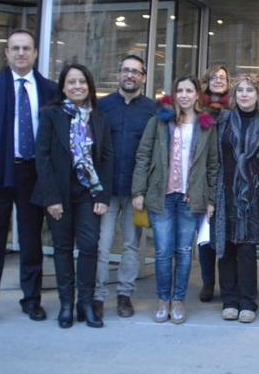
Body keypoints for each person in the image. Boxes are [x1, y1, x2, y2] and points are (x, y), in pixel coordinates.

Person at [0, 29, 58, 330]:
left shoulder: (49, 90)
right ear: (6, 53)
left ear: (34, 53)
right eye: (15, 48)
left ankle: (32, 300)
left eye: (26, 48)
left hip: (33, 175)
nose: (21, 53)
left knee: (32, 243)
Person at [31, 64, 113, 328]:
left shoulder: (98, 117)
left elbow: (107, 158)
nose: (77, 86)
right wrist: (51, 198)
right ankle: (66, 304)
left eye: (82, 81)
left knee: (89, 247)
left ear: (89, 85)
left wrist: (102, 195)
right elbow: (42, 157)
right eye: (71, 82)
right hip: (59, 194)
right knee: (63, 248)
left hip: (90, 193)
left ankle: (86, 304)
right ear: (63, 87)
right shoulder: (50, 114)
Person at [132, 76, 218, 325]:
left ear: (197, 95)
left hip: (191, 198)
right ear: (174, 93)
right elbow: (143, 156)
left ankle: (178, 299)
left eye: (189, 90)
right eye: (179, 90)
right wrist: (138, 191)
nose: (183, 94)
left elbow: (213, 165)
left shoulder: (206, 126)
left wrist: (211, 199)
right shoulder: (159, 122)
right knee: (162, 251)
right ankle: (163, 299)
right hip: (162, 196)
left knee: (183, 251)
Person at [93, 55, 156, 319]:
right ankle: (97, 297)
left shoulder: (152, 110)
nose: (130, 75)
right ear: (118, 74)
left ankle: (124, 295)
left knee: (132, 245)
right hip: (105, 191)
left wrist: (147, 190)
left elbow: (155, 152)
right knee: (101, 245)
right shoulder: (101, 106)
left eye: (135, 71)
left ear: (143, 77)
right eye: (125, 70)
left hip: (136, 193)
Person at [213, 74, 259, 324]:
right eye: (240, 90)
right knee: (226, 246)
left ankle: (248, 301)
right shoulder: (223, 119)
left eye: (250, 90)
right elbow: (215, 156)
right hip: (226, 191)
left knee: (247, 249)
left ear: (258, 94)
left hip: (254, 194)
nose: (244, 94)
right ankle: (229, 300)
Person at [197, 64, 231, 303]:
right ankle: (208, 282)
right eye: (214, 77)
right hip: (204, 177)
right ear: (206, 82)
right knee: (205, 233)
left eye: (223, 77)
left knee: (226, 234)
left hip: (229, 178)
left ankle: (228, 282)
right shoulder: (198, 108)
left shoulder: (237, 106)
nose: (219, 80)